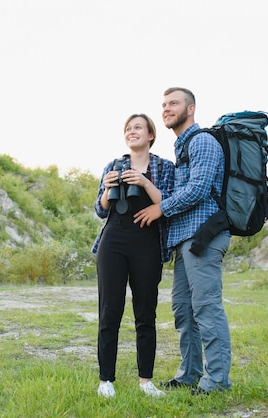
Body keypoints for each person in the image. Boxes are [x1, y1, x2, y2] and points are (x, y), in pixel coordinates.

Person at [134, 87, 232, 395]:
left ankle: (216, 381)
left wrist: (159, 208)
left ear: (190, 109)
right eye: (163, 105)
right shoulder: (182, 148)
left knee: (206, 307)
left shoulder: (202, 141)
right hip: (184, 240)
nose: (166, 109)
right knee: (183, 310)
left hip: (203, 236)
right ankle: (189, 373)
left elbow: (200, 188)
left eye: (173, 103)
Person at [92, 113, 176, 398]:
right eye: (128, 128)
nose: (132, 131)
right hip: (113, 241)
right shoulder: (113, 165)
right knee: (109, 311)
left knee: (145, 313)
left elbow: (170, 204)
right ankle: (106, 381)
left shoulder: (164, 167)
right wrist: (107, 188)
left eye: (138, 127)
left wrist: (142, 182)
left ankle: (146, 381)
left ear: (150, 135)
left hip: (147, 243)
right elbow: (101, 209)